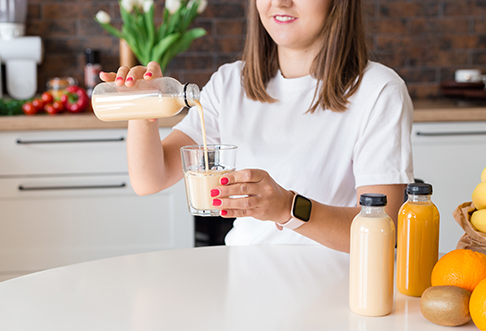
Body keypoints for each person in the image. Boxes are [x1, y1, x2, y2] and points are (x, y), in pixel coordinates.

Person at [99, 0, 414, 253]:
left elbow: (383, 230)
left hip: (336, 286)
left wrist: (288, 208)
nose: (280, 3)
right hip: (244, 278)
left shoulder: (378, 90)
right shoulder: (231, 82)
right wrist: (140, 108)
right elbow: (149, 178)